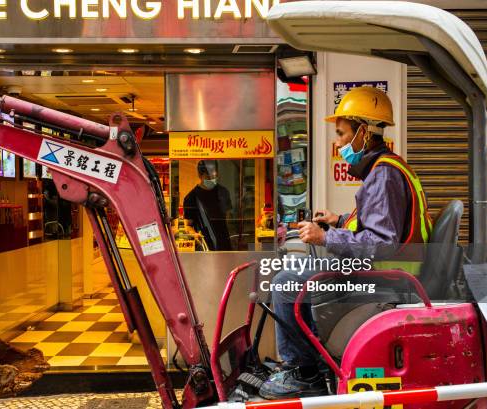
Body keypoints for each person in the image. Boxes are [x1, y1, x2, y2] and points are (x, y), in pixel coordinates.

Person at [259, 86, 433, 399]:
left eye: (341, 134)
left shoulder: (383, 175)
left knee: (286, 281)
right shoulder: (388, 169)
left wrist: (326, 236)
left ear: (363, 133)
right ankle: (310, 359)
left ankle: (303, 371)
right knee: (295, 274)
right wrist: (338, 222)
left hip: (384, 273)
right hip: (385, 269)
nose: (338, 143)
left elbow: (381, 243)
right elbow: (380, 226)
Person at [183, 160, 233, 251]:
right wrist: (193, 234)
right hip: (204, 244)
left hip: (224, 242)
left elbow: (228, 218)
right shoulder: (191, 197)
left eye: (214, 176)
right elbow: (188, 225)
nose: (211, 179)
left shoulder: (223, 192)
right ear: (199, 175)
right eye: (208, 177)